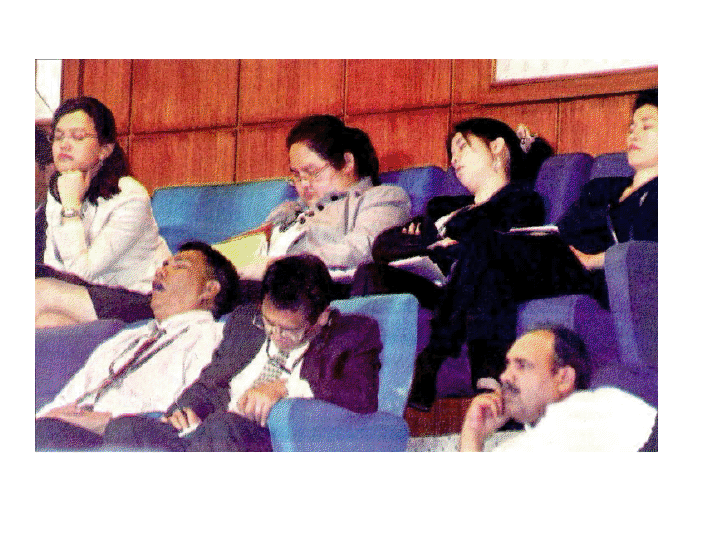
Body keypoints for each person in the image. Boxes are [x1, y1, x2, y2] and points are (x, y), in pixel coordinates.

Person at [408, 88, 658, 411]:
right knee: (491, 264)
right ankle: (488, 377)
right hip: (560, 260)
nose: (633, 134)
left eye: (646, 126)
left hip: (600, 276)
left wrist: (595, 260)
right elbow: (563, 230)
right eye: (631, 127)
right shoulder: (603, 187)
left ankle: (433, 357)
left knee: (488, 246)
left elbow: (652, 254)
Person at [102, 254, 382, 452]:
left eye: (289, 331)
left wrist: (286, 388)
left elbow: (360, 396)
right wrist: (185, 411)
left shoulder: (353, 334)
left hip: (271, 441)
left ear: (322, 317)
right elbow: (210, 382)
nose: (276, 335)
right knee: (124, 429)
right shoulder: (246, 322)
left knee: (221, 427)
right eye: (269, 323)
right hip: (210, 435)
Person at [35, 241, 240, 451]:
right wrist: (47, 417)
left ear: (209, 289)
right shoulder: (126, 338)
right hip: (59, 433)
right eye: (164, 264)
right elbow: (67, 397)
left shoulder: (213, 337)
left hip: (127, 441)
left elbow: (183, 413)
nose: (161, 271)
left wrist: (105, 421)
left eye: (179, 266)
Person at [351, 118, 550, 310]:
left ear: (496, 146)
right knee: (365, 274)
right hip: (425, 282)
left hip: (462, 292)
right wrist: (436, 244)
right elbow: (383, 244)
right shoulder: (442, 207)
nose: (454, 160)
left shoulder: (521, 200)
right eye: (452, 155)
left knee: (373, 277)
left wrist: (423, 242)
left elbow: (484, 245)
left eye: (462, 148)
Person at [237, 115, 410, 297]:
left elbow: (362, 250)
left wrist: (277, 266)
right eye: (297, 175)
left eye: (312, 172)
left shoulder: (381, 198)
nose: (303, 184)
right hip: (247, 286)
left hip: (303, 293)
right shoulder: (288, 209)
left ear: (347, 163)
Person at [35, 97, 171, 327]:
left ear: (104, 149)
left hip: (140, 299)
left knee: (36, 292)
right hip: (85, 297)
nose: (64, 145)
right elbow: (53, 265)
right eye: (58, 137)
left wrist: (71, 207)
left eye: (78, 137)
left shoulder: (130, 196)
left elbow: (80, 273)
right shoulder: (61, 187)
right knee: (47, 322)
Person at [459, 326, 657, 452]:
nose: (504, 376)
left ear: (564, 379)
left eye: (522, 365)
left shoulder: (601, 409)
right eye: (508, 365)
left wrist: (472, 437)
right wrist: (473, 433)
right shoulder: (518, 446)